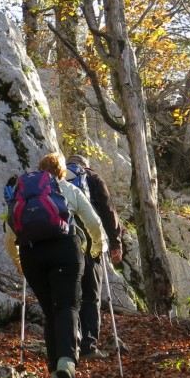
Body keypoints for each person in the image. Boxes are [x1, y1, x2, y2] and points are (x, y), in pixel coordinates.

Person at [4, 152, 107, 378]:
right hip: (65, 250)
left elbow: (10, 235)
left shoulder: (24, 194)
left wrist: (19, 262)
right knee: (67, 306)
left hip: (32, 256)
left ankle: (54, 374)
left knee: (51, 312)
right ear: (62, 172)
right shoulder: (68, 189)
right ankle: (67, 363)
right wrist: (95, 248)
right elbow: (93, 223)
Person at [65, 154, 123, 361]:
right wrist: (115, 243)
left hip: (64, 243)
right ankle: (88, 345)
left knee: (68, 297)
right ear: (85, 166)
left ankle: (68, 346)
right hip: (90, 243)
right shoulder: (92, 178)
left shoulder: (55, 179)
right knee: (91, 294)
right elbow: (108, 211)